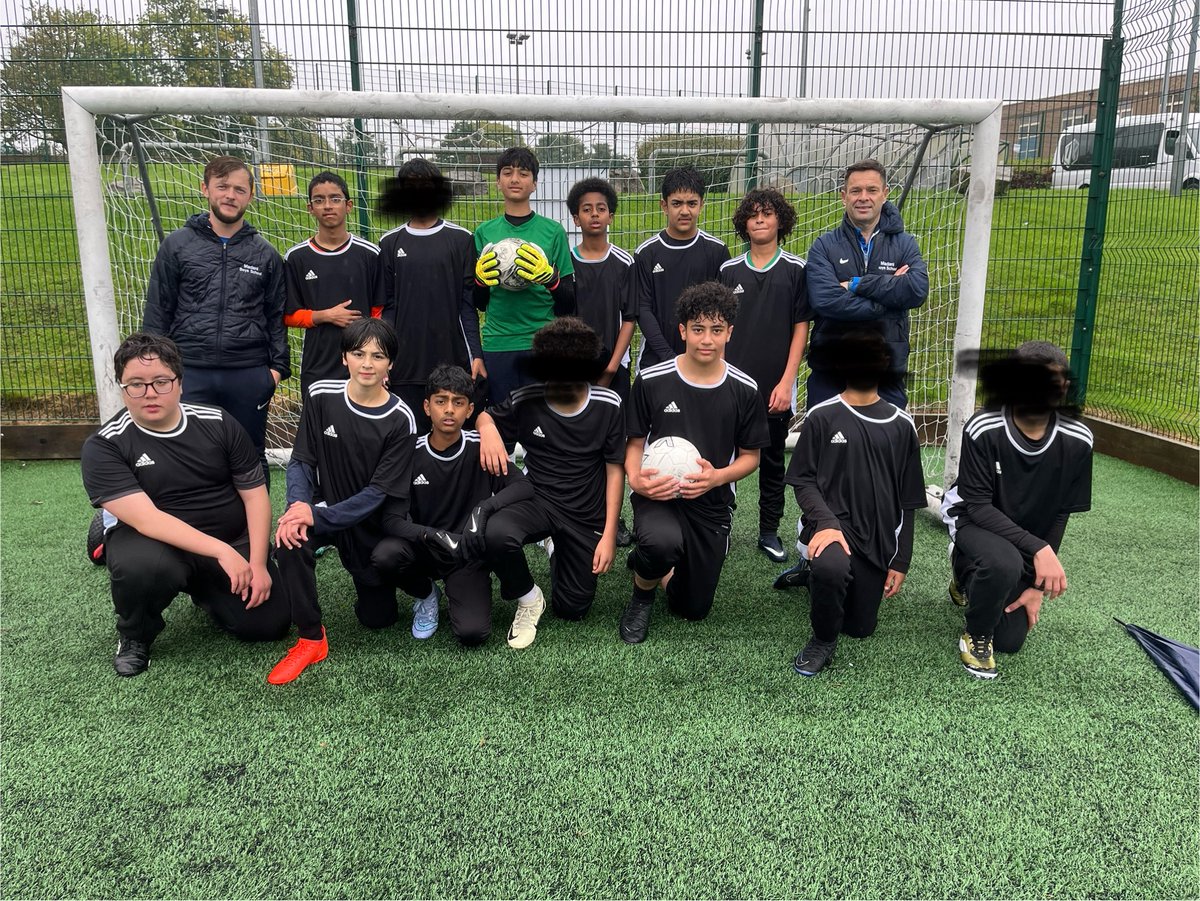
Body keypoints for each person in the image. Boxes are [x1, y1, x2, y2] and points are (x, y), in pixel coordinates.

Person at [81, 332, 289, 677]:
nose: (149, 392)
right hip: (154, 540)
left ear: (179, 383)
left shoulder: (218, 422)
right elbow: (148, 520)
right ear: (122, 388)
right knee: (144, 570)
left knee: (269, 626)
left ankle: (205, 589)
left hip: (226, 533)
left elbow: (255, 494)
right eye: (136, 384)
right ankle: (135, 635)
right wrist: (222, 552)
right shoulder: (105, 445)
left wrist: (258, 562)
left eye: (160, 381)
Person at [267, 319, 416, 685]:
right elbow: (302, 459)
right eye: (358, 353)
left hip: (369, 524)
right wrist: (298, 507)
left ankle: (380, 586)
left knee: (378, 619)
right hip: (322, 510)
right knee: (290, 539)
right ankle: (311, 638)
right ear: (344, 358)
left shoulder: (401, 418)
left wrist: (318, 517)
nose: (367, 363)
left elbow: (377, 494)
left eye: (377, 356)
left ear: (390, 365)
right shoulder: (320, 395)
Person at [619, 281, 769, 644]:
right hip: (659, 494)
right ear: (683, 330)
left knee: (692, 609)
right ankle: (642, 593)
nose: (707, 339)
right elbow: (634, 442)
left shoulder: (745, 389)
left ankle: (654, 563)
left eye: (716, 330)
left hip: (711, 501)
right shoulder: (653, 380)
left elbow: (751, 458)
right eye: (698, 329)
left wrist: (718, 477)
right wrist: (636, 480)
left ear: (729, 333)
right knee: (661, 542)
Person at [940, 341, 1093, 679]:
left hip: (1024, 537)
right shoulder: (985, 427)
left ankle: (976, 582)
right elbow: (977, 507)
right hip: (976, 521)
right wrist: (1039, 549)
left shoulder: (1079, 440)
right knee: (1000, 563)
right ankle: (975, 632)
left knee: (1010, 639)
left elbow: (1060, 512)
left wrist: (1037, 587)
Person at [781, 326, 927, 677]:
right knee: (832, 570)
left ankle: (817, 578)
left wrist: (901, 560)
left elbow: (908, 501)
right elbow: (802, 479)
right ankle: (822, 639)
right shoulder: (822, 416)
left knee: (860, 627)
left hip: (875, 538)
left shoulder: (902, 425)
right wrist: (827, 522)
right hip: (832, 526)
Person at [476, 317, 625, 649]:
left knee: (573, 609)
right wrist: (487, 429)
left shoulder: (608, 405)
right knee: (495, 533)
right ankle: (529, 597)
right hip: (537, 500)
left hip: (584, 513)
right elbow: (486, 415)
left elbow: (616, 469)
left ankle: (558, 546)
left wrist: (610, 535)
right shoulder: (526, 398)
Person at [142, 155, 290, 486]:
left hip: (249, 373)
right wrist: (155, 366)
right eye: (222, 186)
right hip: (190, 370)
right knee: (186, 455)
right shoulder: (177, 246)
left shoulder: (265, 254)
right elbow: (158, 309)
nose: (230, 195)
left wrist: (275, 371)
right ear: (205, 189)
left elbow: (275, 316)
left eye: (239, 189)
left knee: (250, 458)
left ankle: (253, 536)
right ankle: (190, 535)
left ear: (250, 196)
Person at [370, 364, 535, 646]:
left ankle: (465, 590)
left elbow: (523, 486)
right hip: (427, 550)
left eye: (458, 403)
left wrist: (484, 509)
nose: (449, 410)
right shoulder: (410, 454)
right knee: (385, 555)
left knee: (473, 634)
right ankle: (426, 594)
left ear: (469, 411)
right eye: (441, 401)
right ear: (426, 406)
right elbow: (392, 520)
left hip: (467, 555)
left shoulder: (481, 447)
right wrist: (432, 535)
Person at [720, 187, 811, 564]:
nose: (760, 219)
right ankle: (718, 521)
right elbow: (718, 327)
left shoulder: (796, 269)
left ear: (780, 221)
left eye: (768, 213)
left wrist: (788, 381)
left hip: (775, 386)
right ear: (744, 222)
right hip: (731, 385)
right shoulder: (728, 270)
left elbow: (800, 328)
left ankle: (769, 530)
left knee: (772, 459)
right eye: (753, 214)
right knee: (721, 455)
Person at [804, 158, 928, 409]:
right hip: (830, 372)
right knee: (827, 447)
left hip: (886, 372)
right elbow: (826, 300)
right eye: (855, 190)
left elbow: (916, 290)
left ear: (884, 194)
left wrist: (855, 284)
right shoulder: (824, 246)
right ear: (843, 196)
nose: (863, 197)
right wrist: (889, 300)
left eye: (871, 190)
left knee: (885, 448)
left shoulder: (905, 244)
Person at [378, 158, 485, 429]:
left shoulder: (461, 239)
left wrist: (475, 354)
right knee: (407, 442)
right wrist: (383, 357)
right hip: (406, 365)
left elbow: (466, 304)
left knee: (452, 440)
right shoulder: (390, 243)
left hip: (452, 361)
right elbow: (388, 308)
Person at [472, 146, 575, 404]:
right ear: (498, 182)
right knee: (503, 426)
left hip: (542, 343)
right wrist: (479, 282)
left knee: (542, 428)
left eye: (523, 173)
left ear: (535, 184)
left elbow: (569, 302)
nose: (515, 179)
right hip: (498, 343)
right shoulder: (484, 233)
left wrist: (550, 280)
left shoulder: (553, 232)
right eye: (507, 173)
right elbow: (478, 302)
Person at [567, 175, 637, 546]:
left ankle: (616, 518)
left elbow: (630, 318)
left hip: (614, 370)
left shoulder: (625, 262)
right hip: (575, 374)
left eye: (601, 209)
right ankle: (585, 514)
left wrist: (611, 368)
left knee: (614, 447)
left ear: (611, 216)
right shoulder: (565, 262)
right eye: (586, 209)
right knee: (580, 444)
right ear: (575, 219)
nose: (594, 215)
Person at [283, 171, 386, 396]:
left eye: (335, 199)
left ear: (348, 205)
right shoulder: (296, 257)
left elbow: (380, 311)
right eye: (319, 200)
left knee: (363, 428)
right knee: (319, 429)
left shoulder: (370, 254)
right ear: (310, 208)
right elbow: (288, 315)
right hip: (318, 363)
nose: (327, 205)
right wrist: (325, 316)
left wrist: (377, 353)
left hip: (363, 364)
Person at [633, 166, 730, 370]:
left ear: (701, 205)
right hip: (657, 360)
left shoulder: (716, 250)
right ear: (664, 206)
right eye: (677, 203)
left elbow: (723, 309)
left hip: (704, 359)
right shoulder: (647, 253)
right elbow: (643, 309)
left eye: (692, 203)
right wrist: (669, 358)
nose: (685, 211)